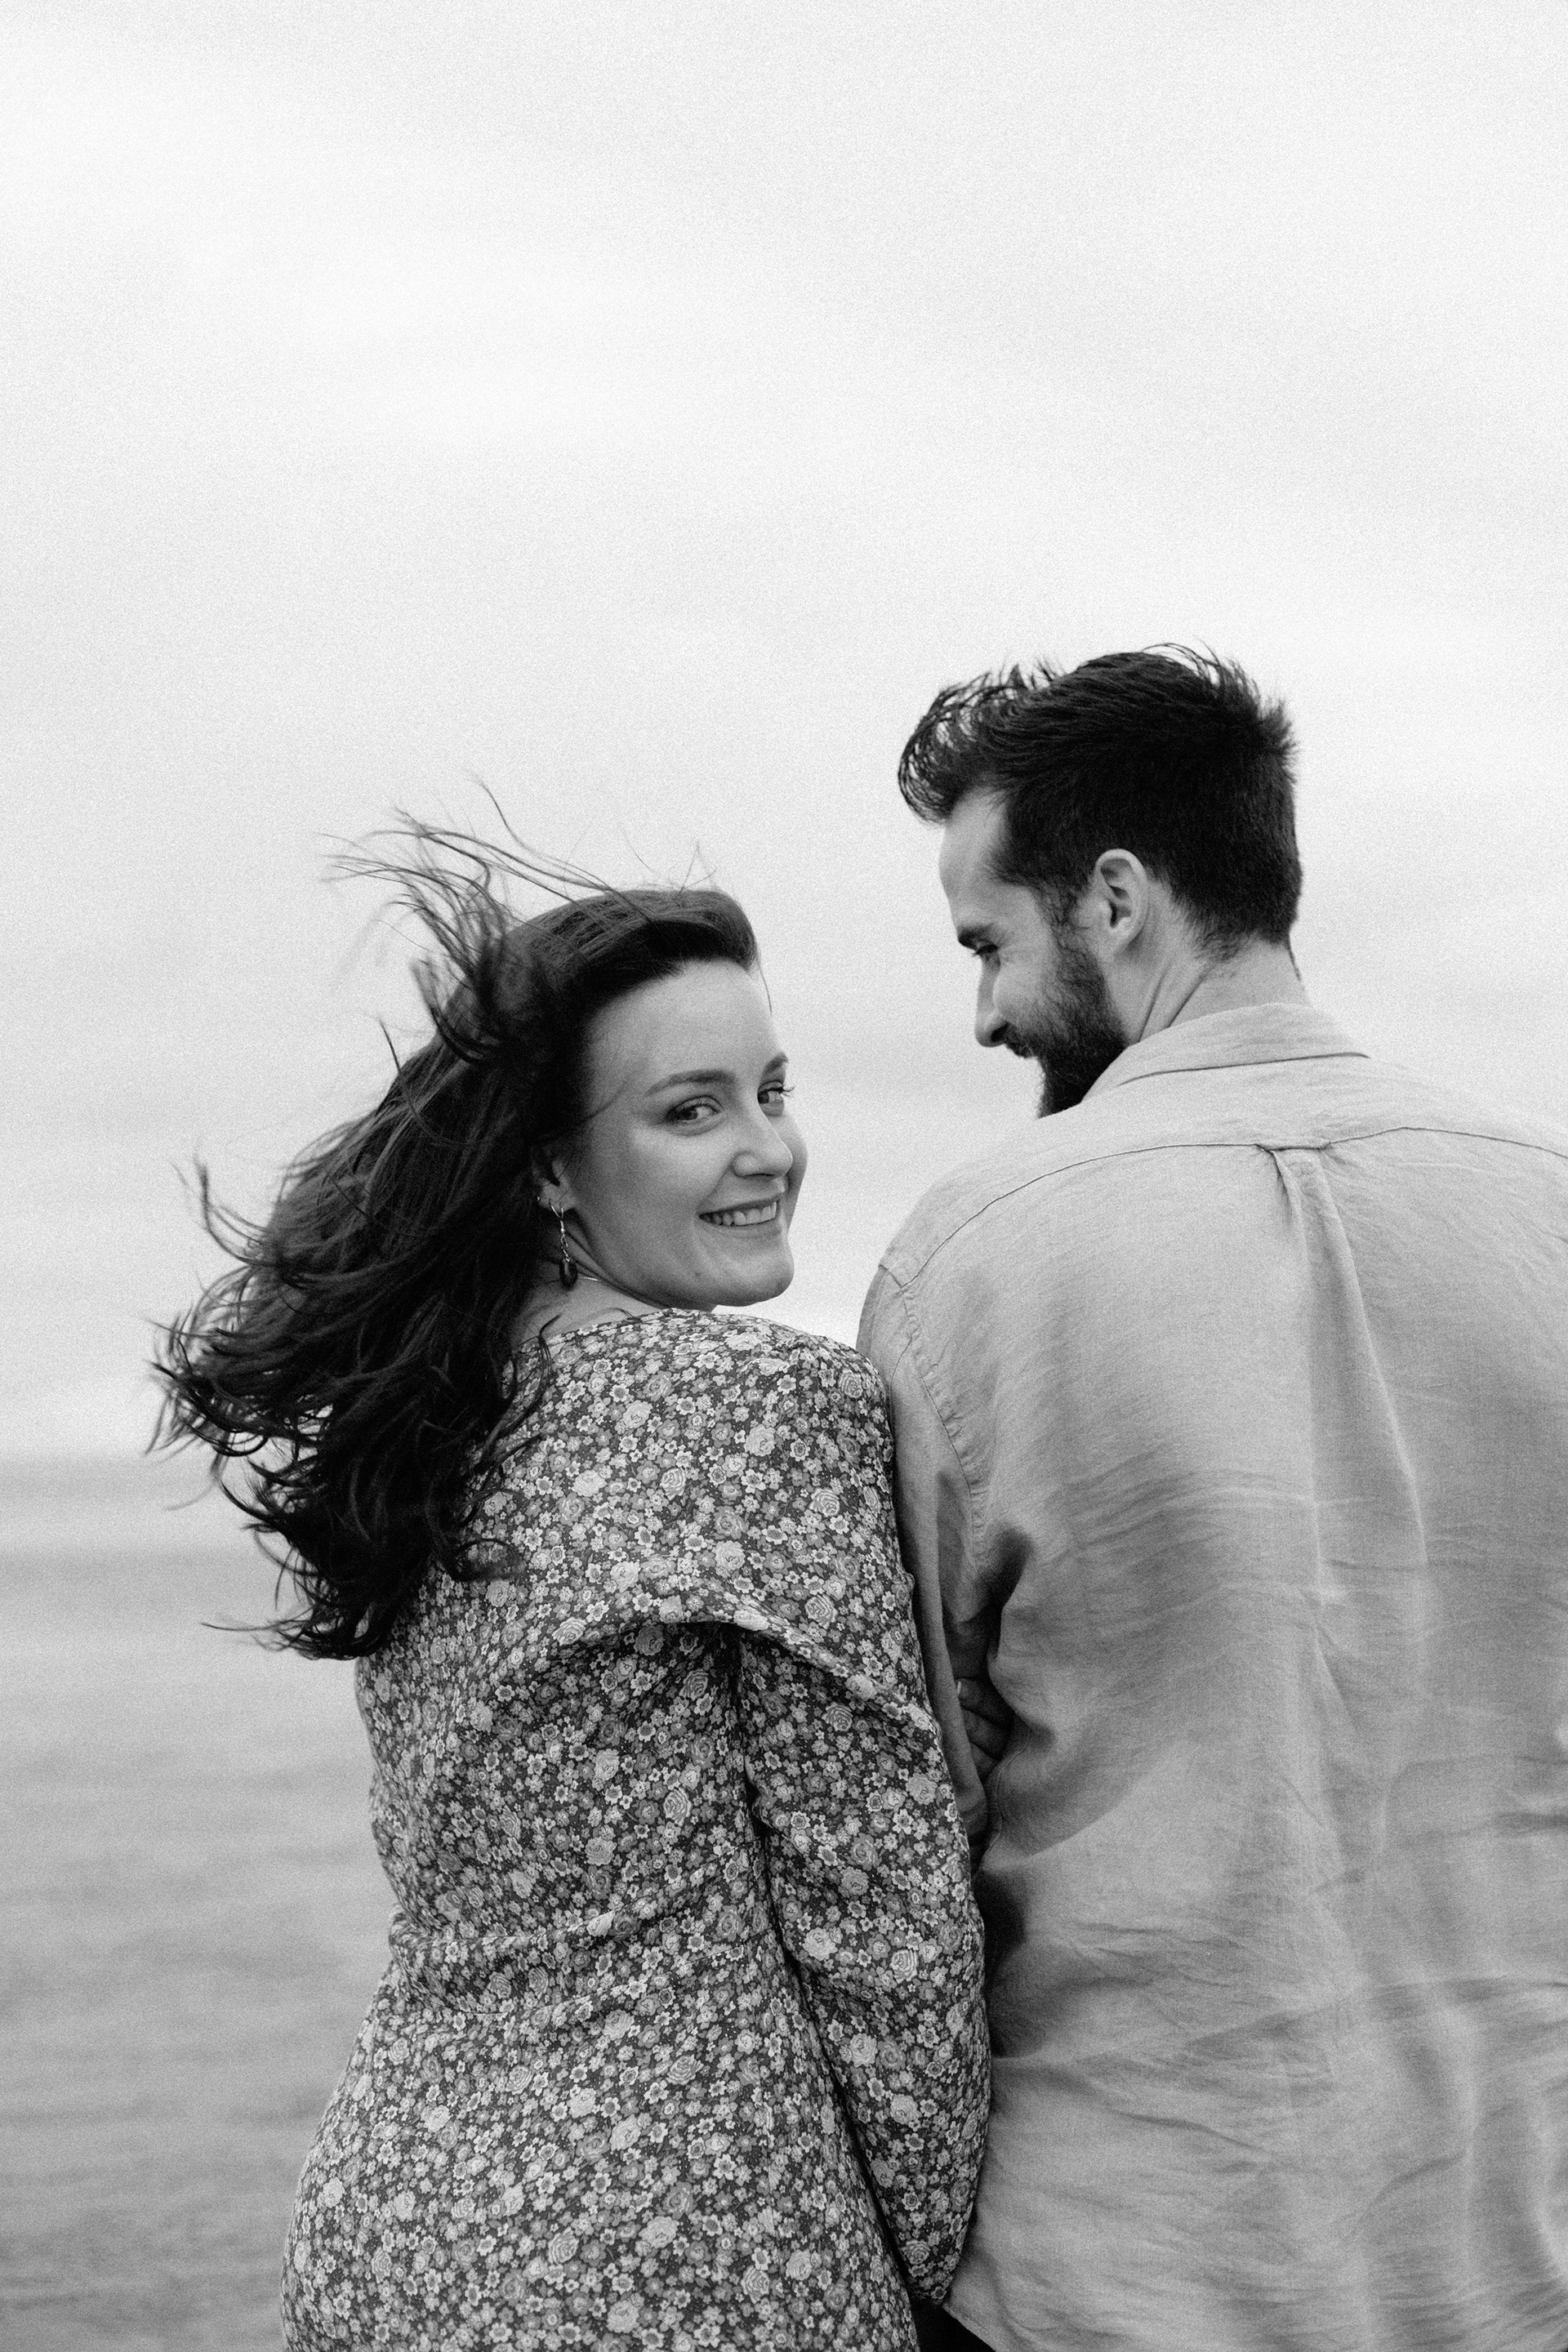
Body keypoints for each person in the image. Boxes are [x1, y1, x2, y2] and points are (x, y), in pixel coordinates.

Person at [158, 835, 989, 2352]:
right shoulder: (757, 1406)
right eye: (692, 1110)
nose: (770, 1149)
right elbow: (881, 1904)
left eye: (773, 1090)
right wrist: (928, 2268)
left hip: (388, 2228)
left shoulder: (432, 1428)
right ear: (548, 1165)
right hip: (681, 2253)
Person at [859, 652, 1568, 2352]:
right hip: (1512, 2243)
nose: (983, 1018)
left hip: (1121, 2270)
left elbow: (910, 1826)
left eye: (986, 945)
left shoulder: (976, 1260)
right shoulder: (1548, 1213)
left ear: (1116, 901)